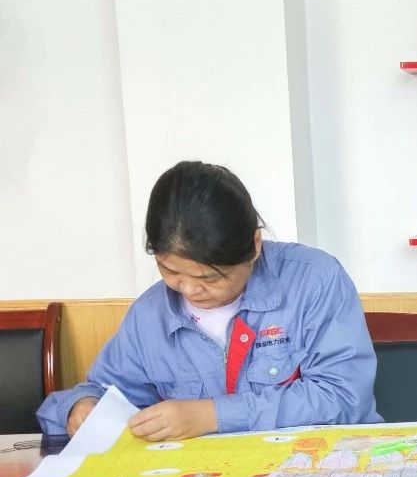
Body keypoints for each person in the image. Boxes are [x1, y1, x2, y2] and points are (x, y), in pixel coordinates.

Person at [37, 161, 381, 441]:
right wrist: (82, 406)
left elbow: (342, 397)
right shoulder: (149, 314)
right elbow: (107, 393)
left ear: (255, 245)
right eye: (170, 271)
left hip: (317, 467)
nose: (189, 290)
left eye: (210, 278)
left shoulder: (314, 280)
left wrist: (212, 415)